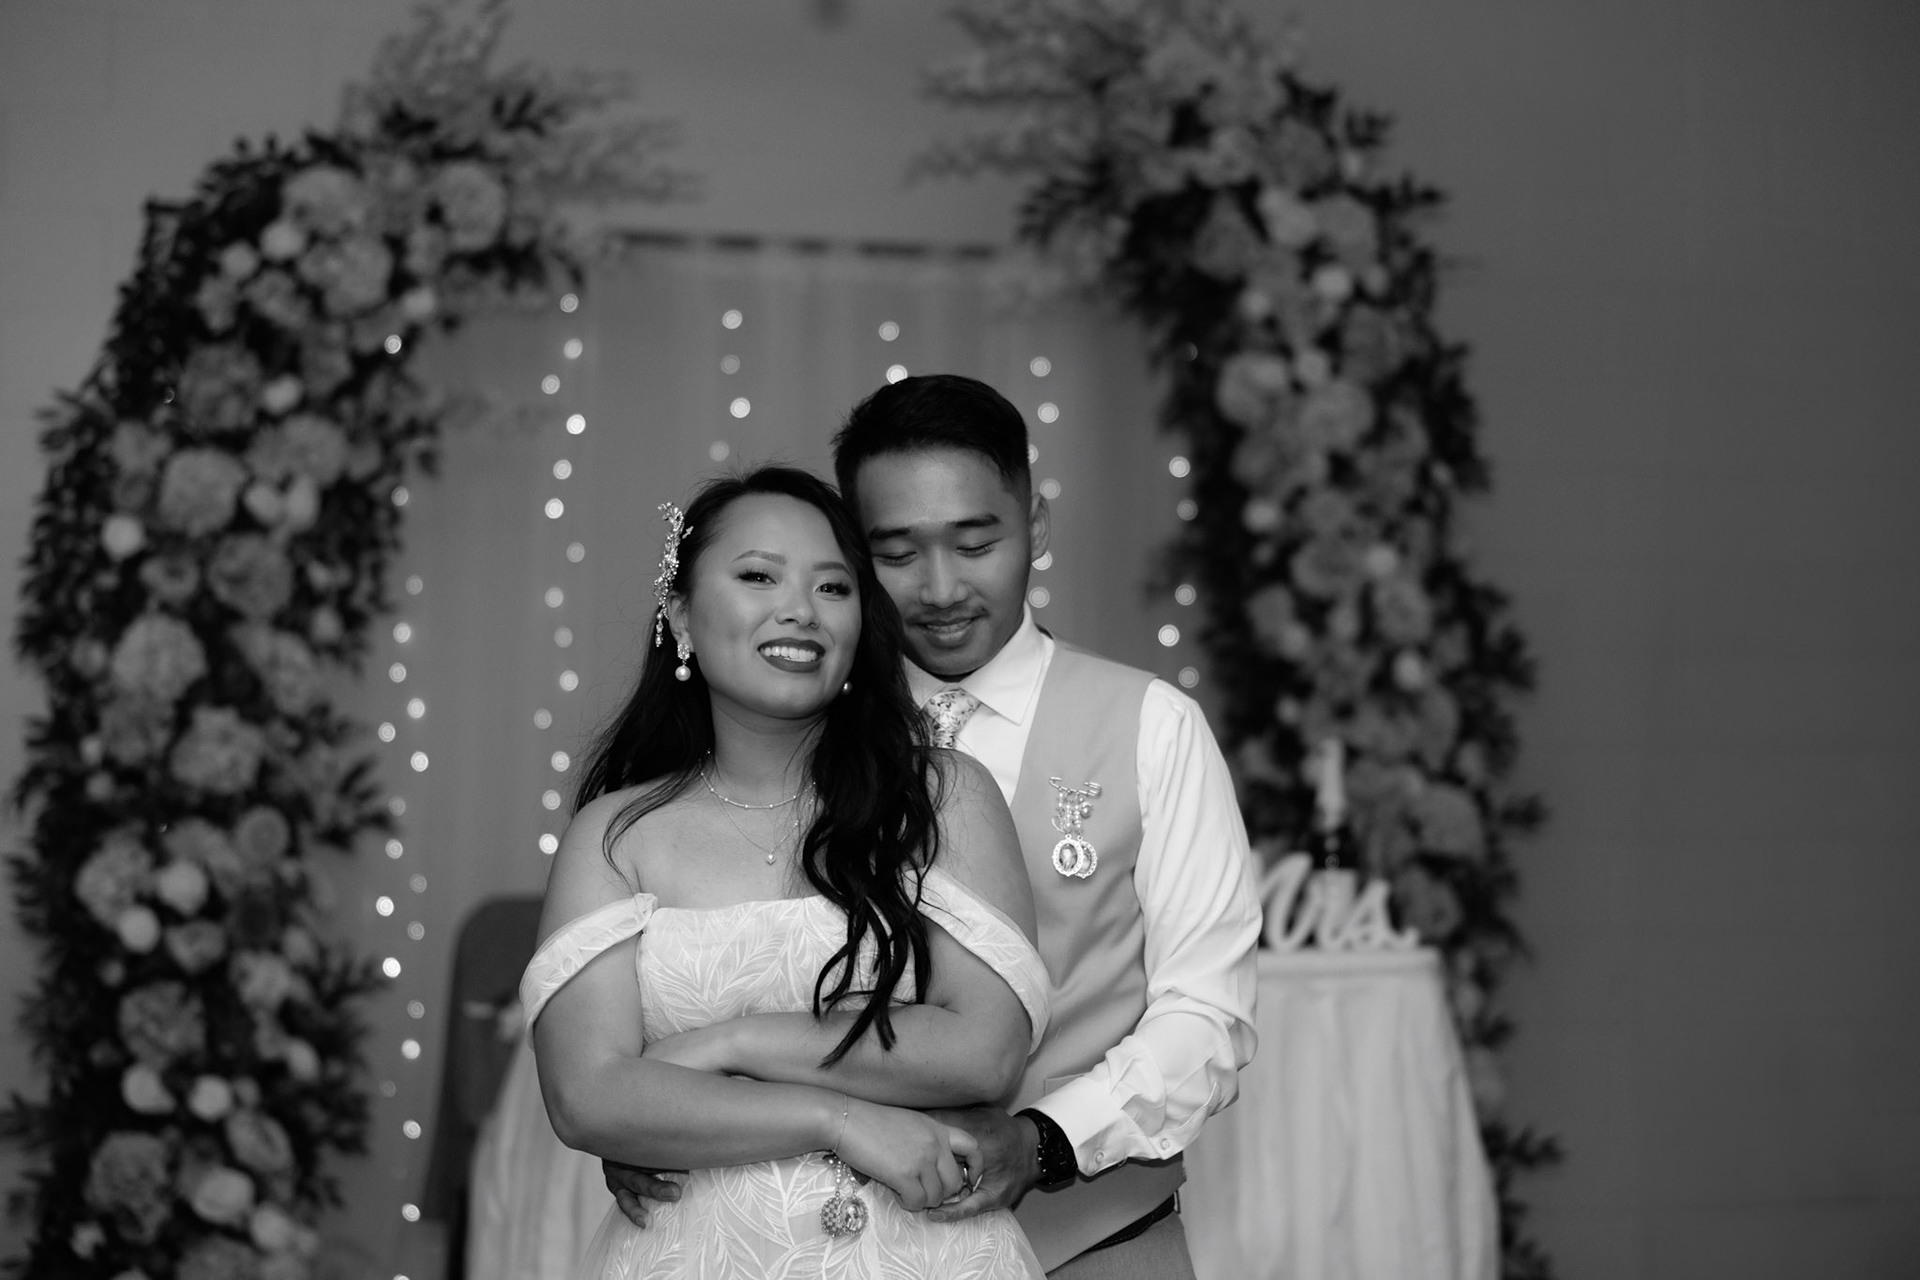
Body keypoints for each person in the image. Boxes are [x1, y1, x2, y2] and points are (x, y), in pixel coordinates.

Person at [610, 375, 1265, 1277]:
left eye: (977, 542)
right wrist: (663, 1111)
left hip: (1096, 1238)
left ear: (1036, 526)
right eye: (895, 553)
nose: (942, 588)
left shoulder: (1151, 725)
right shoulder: (778, 725)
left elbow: (1208, 1012)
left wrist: (1046, 1140)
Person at [524, 464, 1053, 1278]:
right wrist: (839, 1120)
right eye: (758, 576)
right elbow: (586, 1096)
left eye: (833, 587)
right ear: (681, 616)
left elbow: (983, 1051)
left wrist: (725, 1045)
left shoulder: (942, 797)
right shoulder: (616, 835)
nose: (800, 609)